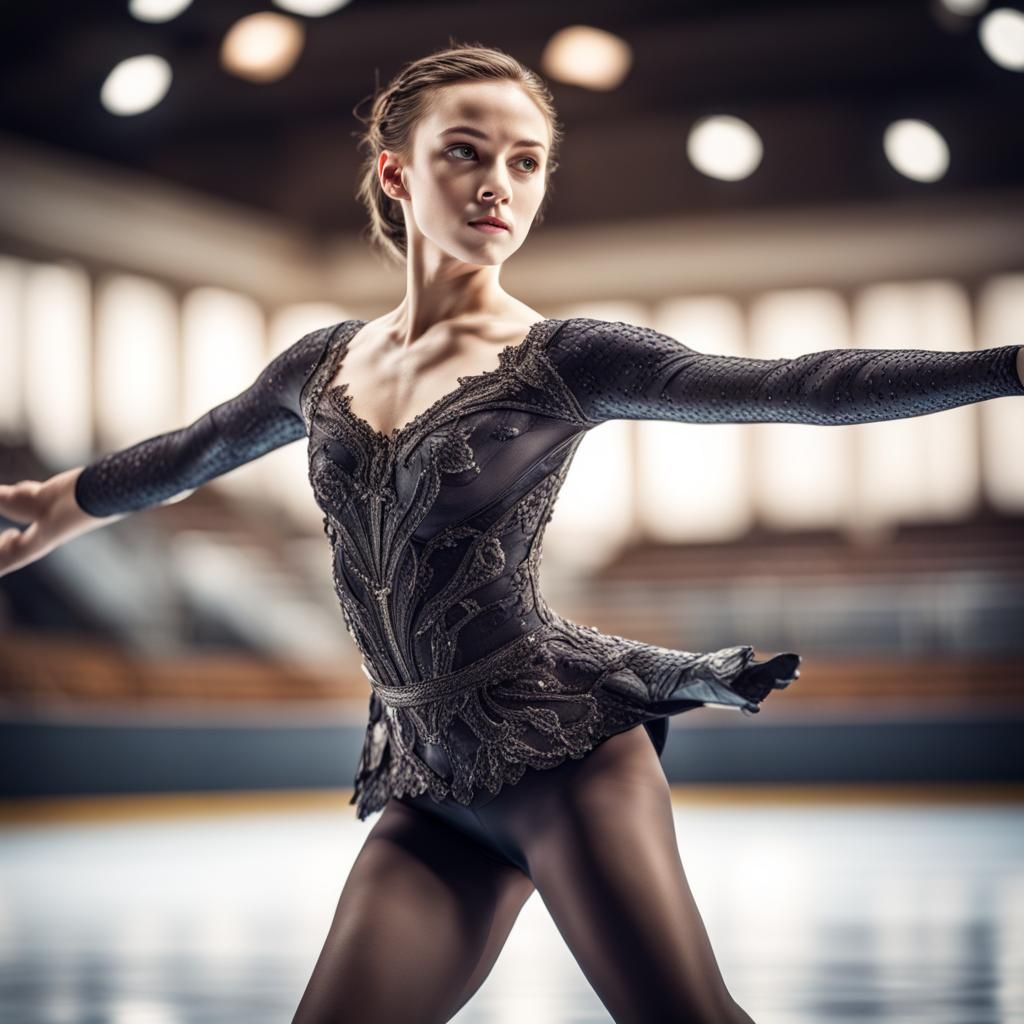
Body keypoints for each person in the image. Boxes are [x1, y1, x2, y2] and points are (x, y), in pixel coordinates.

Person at [1, 41, 1022, 1024]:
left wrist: (1006, 367)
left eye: (525, 162)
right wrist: (64, 502)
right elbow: (196, 447)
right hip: (425, 779)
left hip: (562, 761)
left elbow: (803, 387)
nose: (501, 183)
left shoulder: (567, 358)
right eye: (467, 152)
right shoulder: (319, 366)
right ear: (395, 173)